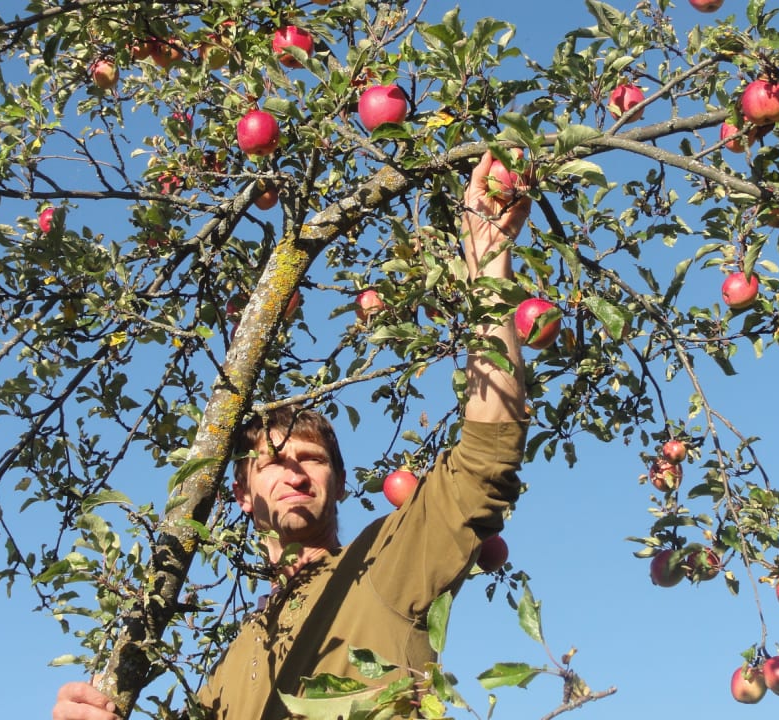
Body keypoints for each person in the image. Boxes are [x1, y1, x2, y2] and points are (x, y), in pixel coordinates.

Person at [52, 151, 531, 720]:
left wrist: (488, 264)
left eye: (312, 459)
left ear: (342, 483)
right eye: (273, 462)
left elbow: (484, 460)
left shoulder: (384, 565)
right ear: (241, 493)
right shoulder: (229, 671)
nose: (295, 473)